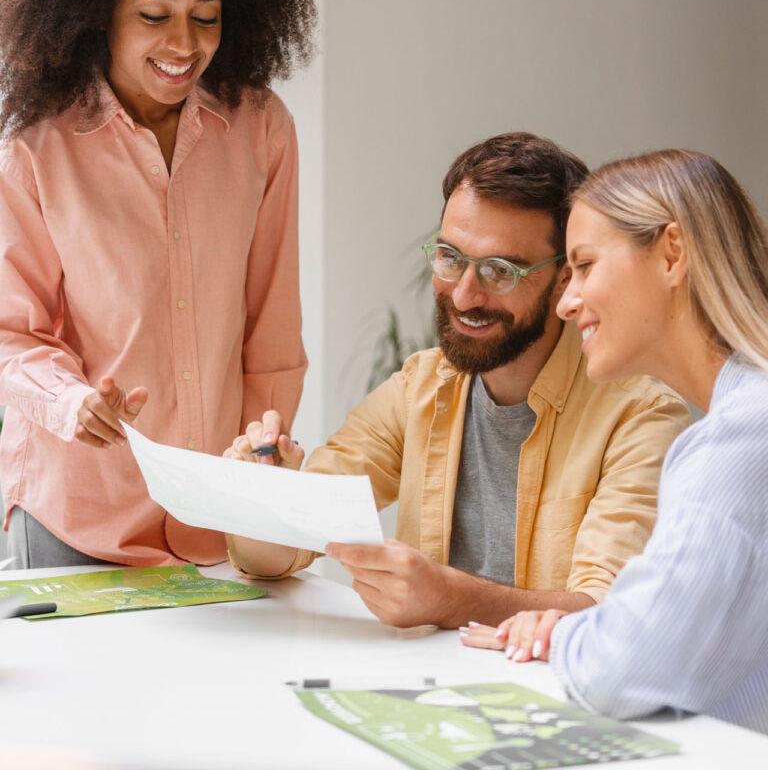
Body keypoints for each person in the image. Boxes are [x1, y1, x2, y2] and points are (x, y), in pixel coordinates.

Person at [225, 132, 689, 628]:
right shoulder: (419, 387)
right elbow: (273, 557)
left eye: (500, 271)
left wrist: (451, 598)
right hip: (432, 689)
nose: (465, 295)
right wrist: (263, 499)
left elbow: (609, 614)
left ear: (564, 280)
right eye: (450, 257)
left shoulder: (641, 415)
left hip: (554, 696)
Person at [0, 0, 316, 569]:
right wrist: (72, 402)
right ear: (98, 13)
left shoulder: (260, 131)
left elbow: (271, 331)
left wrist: (260, 462)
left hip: (214, 514)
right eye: (154, 13)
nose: (184, 42)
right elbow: (11, 335)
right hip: (79, 518)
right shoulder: (34, 152)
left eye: (206, 14)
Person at [461, 149, 768, 735]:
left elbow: (625, 668)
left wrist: (565, 631)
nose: (566, 300)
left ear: (672, 254)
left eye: (584, 266)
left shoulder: (740, 442)